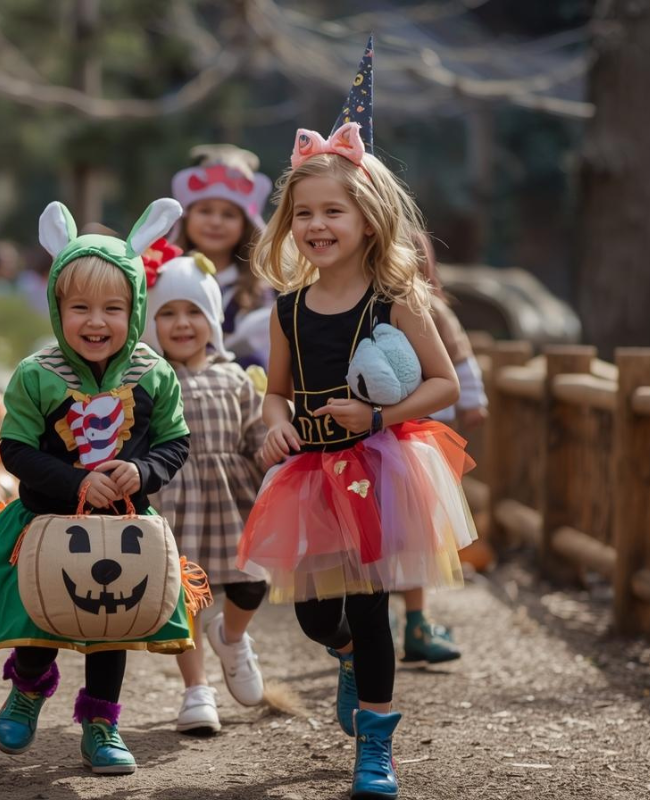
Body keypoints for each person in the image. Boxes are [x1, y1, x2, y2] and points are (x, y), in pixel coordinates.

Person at [236, 40, 476, 799]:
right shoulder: (287, 309)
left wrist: (376, 415)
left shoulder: (398, 301)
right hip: (309, 470)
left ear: (368, 220)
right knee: (315, 613)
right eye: (303, 214)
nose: (316, 225)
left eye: (332, 211)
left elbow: (443, 386)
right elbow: (276, 391)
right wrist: (272, 423)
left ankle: (376, 744)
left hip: (380, 466)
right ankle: (337, 652)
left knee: (372, 607)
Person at [0, 199, 196, 775]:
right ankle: (28, 687)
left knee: (112, 626)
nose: (96, 322)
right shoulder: (36, 374)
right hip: (47, 526)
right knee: (41, 615)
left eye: (113, 308)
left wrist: (143, 471)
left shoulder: (154, 374)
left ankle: (101, 722)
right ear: (55, 305)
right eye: (79, 307)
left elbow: (175, 441)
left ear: (135, 308)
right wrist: (75, 482)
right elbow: (15, 449)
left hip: (124, 531)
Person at [142, 248, 270, 734]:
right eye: (167, 313)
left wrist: (275, 453)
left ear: (213, 319)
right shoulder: (149, 380)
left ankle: (232, 637)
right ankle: (196, 689)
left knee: (251, 583)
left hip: (231, 499)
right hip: (174, 502)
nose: (181, 323)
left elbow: (256, 435)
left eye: (194, 311)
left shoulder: (236, 377)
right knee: (184, 599)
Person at [393, 234, 489, 664]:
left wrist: (472, 400)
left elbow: (461, 358)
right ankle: (393, 617)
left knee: (417, 531)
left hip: (427, 436)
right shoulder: (364, 305)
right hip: (381, 434)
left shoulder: (431, 308)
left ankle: (416, 618)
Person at [171, 144, 275, 366]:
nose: (215, 222)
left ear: (245, 225)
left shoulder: (262, 289)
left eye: (228, 214)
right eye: (205, 211)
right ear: (186, 217)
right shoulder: (166, 275)